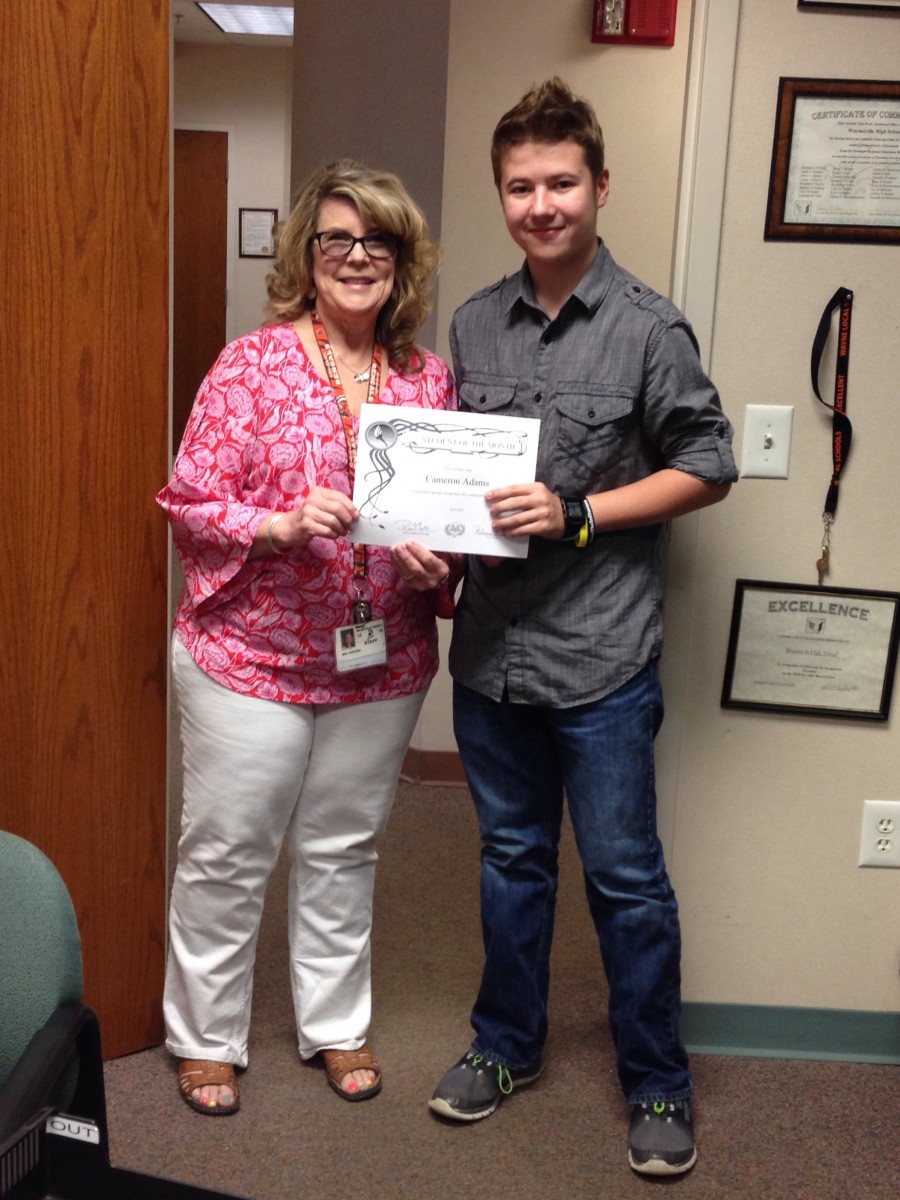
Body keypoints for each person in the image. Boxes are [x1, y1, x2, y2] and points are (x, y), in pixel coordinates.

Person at [427, 79, 738, 1177]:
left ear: (600, 187)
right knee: (512, 862)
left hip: (603, 656)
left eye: (561, 182)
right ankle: (504, 1045)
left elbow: (709, 466)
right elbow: (453, 481)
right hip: (492, 657)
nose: (541, 203)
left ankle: (657, 1081)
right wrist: (427, 537)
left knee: (622, 876)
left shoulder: (651, 328)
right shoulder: (469, 321)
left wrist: (582, 513)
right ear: (501, 196)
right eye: (521, 186)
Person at [158, 159, 457, 1116]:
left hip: (382, 658)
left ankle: (335, 1023)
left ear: (402, 261)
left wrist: (439, 567)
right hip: (250, 656)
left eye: (379, 241)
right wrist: (276, 526)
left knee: (343, 846)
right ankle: (206, 1035)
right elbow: (189, 504)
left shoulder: (428, 377)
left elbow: (447, 521)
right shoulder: (250, 364)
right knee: (231, 846)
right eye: (339, 238)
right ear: (308, 253)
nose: (358, 256)